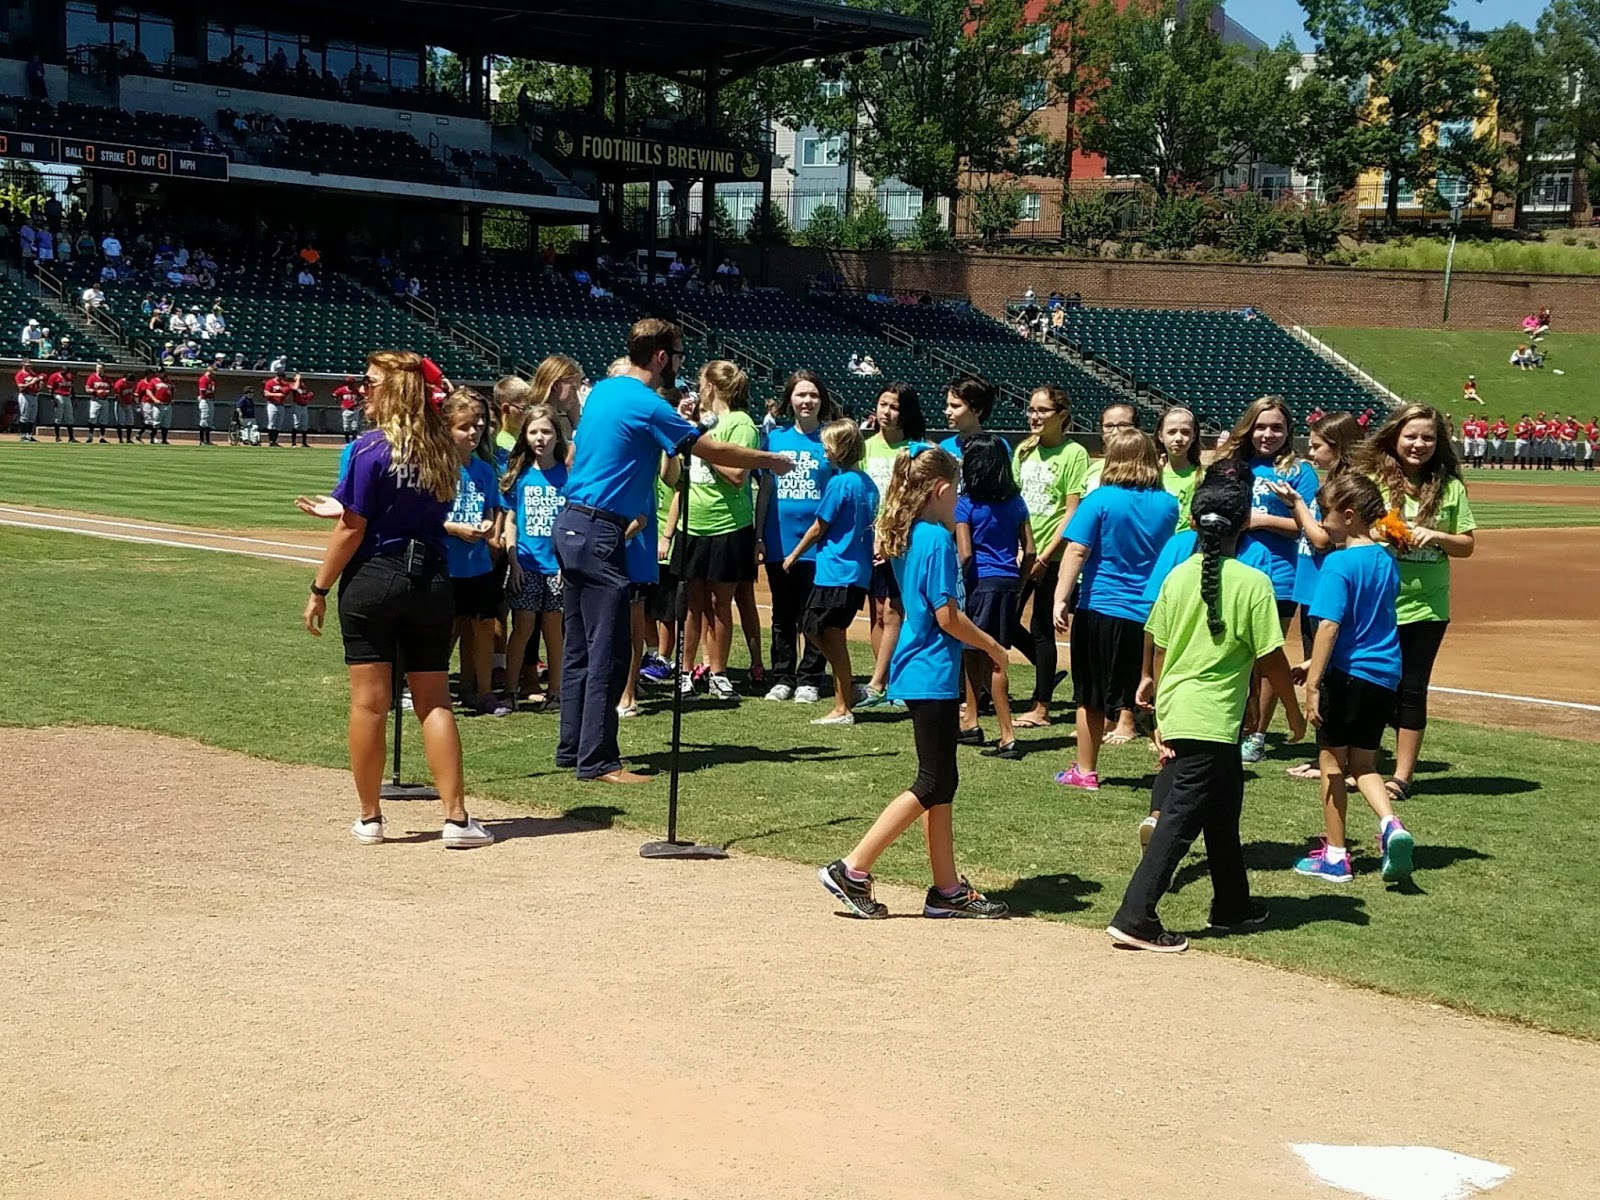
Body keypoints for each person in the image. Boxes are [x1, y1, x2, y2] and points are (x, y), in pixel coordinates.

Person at [552, 319, 791, 784]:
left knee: (579, 645)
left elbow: (579, 455)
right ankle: (598, 760)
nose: (680, 362)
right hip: (602, 531)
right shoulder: (646, 403)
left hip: (572, 524)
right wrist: (771, 460)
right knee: (611, 650)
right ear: (662, 357)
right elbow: (710, 449)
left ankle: (572, 748)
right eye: (678, 354)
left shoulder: (603, 391)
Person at [1106, 470, 1304, 953]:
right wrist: (1294, 715)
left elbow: (1159, 647)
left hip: (1183, 710)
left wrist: (1157, 703)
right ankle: (1135, 916)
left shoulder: (1177, 576)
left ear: (1194, 523)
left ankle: (1232, 904)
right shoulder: (1254, 583)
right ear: (1245, 525)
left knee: (1223, 806)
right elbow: (1272, 660)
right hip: (1212, 718)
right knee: (1179, 821)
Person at [303, 351, 494, 848]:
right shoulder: (441, 449)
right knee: (434, 701)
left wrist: (319, 588)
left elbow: (353, 528)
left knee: (369, 704)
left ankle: (370, 818)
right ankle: (456, 819)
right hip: (430, 578)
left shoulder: (369, 448)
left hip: (374, 576)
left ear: (392, 390)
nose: (363, 390)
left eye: (371, 383)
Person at [816, 444, 1010, 920]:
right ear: (941, 489)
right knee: (932, 780)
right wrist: (993, 646)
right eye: (956, 491)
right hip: (932, 670)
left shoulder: (913, 535)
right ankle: (853, 868)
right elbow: (948, 617)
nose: (958, 500)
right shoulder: (937, 539)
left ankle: (946, 889)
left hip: (923, 669)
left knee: (943, 782)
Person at [1294, 472, 1416, 885]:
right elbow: (1367, 624)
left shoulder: (1338, 563)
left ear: (1348, 516)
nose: (1321, 522)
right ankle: (1390, 825)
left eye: (1325, 513)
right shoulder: (1386, 560)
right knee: (1364, 763)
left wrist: (1314, 683)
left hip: (1346, 675)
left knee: (1331, 763)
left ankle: (1335, 856)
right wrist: (1312, 664)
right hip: (1383, 674)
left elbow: (1329, 626)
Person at [1358, 404, 1475, 801]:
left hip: (1427, 606)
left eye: (1428, 437)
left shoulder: (1450, 487)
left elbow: (1467, 545)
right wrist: (1380, 533)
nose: (1419, 444)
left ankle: (1402, 776)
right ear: (1395, 437)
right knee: (1372, 685)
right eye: (1411, 436)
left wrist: (1436, 536)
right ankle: (1365, 766)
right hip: (1378, 600)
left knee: (1412, 688)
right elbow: (1349, 528)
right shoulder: (1372, 480)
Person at [1051, 429, 1179, 792]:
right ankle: (1170, 760)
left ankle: (1086, 770)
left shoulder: (1100, 499)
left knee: (1090, 696)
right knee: (1146, 693)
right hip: (1148, 613)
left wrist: (1060, 596)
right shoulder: (1168, 505)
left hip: (1101, 606)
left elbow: (1077, 550)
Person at [1227, 396, 1320, 764]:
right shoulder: (1236, 465)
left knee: (1267, 656)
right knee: (1235, 652)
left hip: (1280, 575)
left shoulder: (1299, 472)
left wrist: (1261, 520)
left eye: (1276, 428)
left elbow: (1310, 525)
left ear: (1288, 431)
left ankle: (1258, 733)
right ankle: (1235, 724)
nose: (1268, 434)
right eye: (1261, 426)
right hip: (1233, 569)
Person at [1271, 410, 1360, 782]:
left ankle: (1333, 757)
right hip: (1312, 585)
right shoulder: (1334, 479)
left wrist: (1296, 504)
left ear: (1338, 447)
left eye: (1318, 445)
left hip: (1325, 585)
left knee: (1327, 675)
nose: (1311, 451)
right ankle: (1327, 754)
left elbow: (1323, 539)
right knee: (1322, 673)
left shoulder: (1347, 484)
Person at [783, 420, 878, 726]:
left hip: (838, 572)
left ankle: (843, 706)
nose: (824, 451)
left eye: (828, 446)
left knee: (831, 637)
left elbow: (819, 526)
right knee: (813, 626)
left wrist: (794, 554)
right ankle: (847, 688)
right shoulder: (867, 483)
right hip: (852, 573)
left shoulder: (841, 484)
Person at [681, 360, 762, 703]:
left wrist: (702, 443)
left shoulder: (740, 423)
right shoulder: (704, 423)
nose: (699, 388)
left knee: (719, 603)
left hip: (728, 524)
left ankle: (718, 673)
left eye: (701, 382)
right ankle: (685, 673)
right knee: (692, 603)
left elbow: (737, 475)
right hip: (693, 523)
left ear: (711, 386)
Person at [757, 371, 841, 704]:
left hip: (819, 544)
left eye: (813, 395)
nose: (807, 401)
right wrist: (759, 535)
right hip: (779, 540)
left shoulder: (831, 439)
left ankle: (810, 678)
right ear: (789, 400)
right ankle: (782, 677)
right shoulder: (774, 439)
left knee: (813, 614)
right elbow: (764, 490)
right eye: (801, 395)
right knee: (782, 613)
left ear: (822, 400)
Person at [1011, 385, 1089, 728]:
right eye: (1031, 409)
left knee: (1042, 627)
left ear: (1061, 415)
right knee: (1004, 622)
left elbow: (1071, 512)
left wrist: (1044, 557)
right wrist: (1020, 548)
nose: (1034, 416)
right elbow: (1014, 502)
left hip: (1053, 558)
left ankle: (1041, 705)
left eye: (1042, 410)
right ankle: (1047, 672)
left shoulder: (1075, 454)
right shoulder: (1024, 450)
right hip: (1021, 553)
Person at [953, 432, 1032, 758]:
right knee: (976, 653)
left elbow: (965, 554)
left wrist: (955, 584)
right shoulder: (1016, 503)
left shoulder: (966, 505)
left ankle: (1007, 735)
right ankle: (971, 721)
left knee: (993, 659)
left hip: (979, 585)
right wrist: (1019, 583)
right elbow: (1030, 551)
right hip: (1007, 582)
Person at [436, 389, 508, 716]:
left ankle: (482, 690)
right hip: (446, 564)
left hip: (478, 565)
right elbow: (428, 517)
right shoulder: (439, 468)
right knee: (446, 629)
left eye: (478, 425)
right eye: (465, 427)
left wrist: (488, 525)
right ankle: (436, 690)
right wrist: (455, 529)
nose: (474, 432)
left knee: (482, 627)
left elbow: (491, 507)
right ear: (447, 427)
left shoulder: (484, 470)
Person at [857, 382, 927, 711]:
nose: (887, 412)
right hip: (870, 540)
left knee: (894, 611)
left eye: (895, 406)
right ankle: (882, 680)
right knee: (877, 612)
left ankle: (891, 681)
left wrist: (891, 535)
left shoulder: (917, 450)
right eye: (883, 404)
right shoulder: (865, 447)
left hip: (902, 541)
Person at [503, 406, 569, 712]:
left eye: (546, 431)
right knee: (522, 628)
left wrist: (565, 563)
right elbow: (511, 520)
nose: (540, 438)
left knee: (554, 632)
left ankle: (556, 692)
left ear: (557, 435)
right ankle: (510, 691)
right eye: (533, 432)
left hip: (557, 568)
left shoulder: (568, 476)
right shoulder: (520, 475)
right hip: (526, 564)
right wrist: (513, 559)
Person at [1156, 406, 1202, 531]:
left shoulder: (1202, 476)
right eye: (1171, 432)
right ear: (1160, 436)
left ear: (1193, 436)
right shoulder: (1151, 476)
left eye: (1185, 432)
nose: (1178, 439)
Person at [939, 377, 991, 463]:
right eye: (947, 405)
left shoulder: (997, 447)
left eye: (955, 406)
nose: (947, 412)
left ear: (977, 411)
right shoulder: (944, 447)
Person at [13, 362, 43, 442]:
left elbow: (37, 385)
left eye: (29, 365)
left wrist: (40, 384)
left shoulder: (33, 374)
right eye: (27, 365)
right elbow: (20, 386)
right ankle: (23, 435)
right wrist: (31, 382)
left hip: (34, 395)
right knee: (24, 416)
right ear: (23, 365)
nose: (29, 367)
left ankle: (29, 435)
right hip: (25, 395)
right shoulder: (20, 374)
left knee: (32, 417)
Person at [45, 367, 77, 444]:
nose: (65, 373)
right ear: (61, 370)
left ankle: (71, 438)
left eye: (66, 371)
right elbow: (50, 389)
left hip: (67, 396)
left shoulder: (69, 376)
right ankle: (57, 437)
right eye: (64, 371)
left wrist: (74, 398)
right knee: (58, 417)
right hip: (58, 396)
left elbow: (71, 388)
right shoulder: (54, 376)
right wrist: (53, 399)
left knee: (69, 417)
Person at [85, 364, 113, 444]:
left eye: (100, 368)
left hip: (104, 400)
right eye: (97, 368)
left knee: (104, 420)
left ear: (104, 369)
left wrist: (107, 392)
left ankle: (102, 438)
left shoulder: (107, 379)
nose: (99, 370)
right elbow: (87, 389)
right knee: (93, 418)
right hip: (95, 400)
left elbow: (111, 389)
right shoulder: (92, 377)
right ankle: (90, 436)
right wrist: (96, 391)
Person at [263, 368, 291, 447]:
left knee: (279, 424)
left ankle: (275, 441)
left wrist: (285, 396)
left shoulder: (284, 384)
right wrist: (276, 394)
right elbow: (266, 393)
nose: (281, 378)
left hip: (281, 404)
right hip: (272, 404)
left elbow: (288, 393)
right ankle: (271, 441)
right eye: (280, 377)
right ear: (277, 376)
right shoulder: (270, 382)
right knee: (271, 423)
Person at [334, 375, 363, 443]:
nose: (351, 384)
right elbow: (335, 395)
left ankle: (353, 442)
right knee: (346, 427)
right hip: (346, 409)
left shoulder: (356, 390)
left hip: (355, 409)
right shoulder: (342, 389)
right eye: (349, 383)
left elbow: (362, 396)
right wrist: (340, 403)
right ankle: (347, 442)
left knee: (354, 426)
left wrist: (359, 403)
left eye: (352, 383)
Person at [288, 373, 314, 448]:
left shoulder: (303, 386)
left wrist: (308, 397)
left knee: (304, 424)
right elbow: (295, 388)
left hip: (304, 406)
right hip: (297, 405)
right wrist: (297, 379)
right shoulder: (293, 384)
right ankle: (293, 443)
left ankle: (304, 443)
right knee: (296, 424)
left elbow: (306, 395)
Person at [196, 364, 218, 446]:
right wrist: (211, 391)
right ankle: (202, 441)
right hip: (205, 401)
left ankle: (208, 440)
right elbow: (203, 392)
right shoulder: (204, 379)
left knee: (209, 421)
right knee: (204, 420)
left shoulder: (211, 380)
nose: (215, 373)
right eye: (214, 371)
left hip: (210, 400)